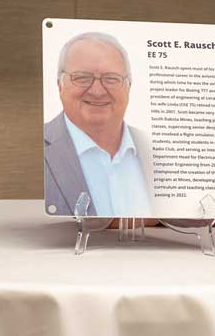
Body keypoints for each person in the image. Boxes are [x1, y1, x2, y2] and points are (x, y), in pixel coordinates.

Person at [44, 31, 152, 217]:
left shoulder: (160, 150)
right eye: (82, 77)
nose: (97, 91)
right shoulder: (33, 151)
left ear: (129, 87)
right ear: (59, 85)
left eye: (111, 78)